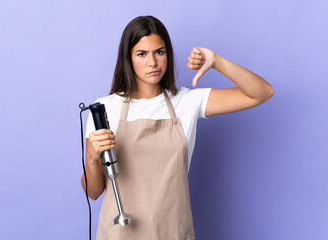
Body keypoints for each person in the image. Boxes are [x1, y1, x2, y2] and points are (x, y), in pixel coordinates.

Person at [82, 15, 274, 240]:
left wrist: (217, 61)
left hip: (173, 233)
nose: (153, 62)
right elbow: (93, 192)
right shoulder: (106, 109)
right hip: (120, 233)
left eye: (159, 52)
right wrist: (92, 157)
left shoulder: (187, 102)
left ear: (168, 54)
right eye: (142, 54)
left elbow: (262, 92)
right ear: (129, 58)